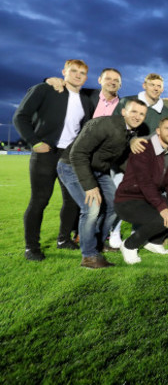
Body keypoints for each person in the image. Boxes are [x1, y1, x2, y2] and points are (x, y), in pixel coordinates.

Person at [13, 59, 94, 260]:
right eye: (73, 71)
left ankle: (63, 239)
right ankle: (31, 247)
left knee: (73, 201)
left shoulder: (85, 99)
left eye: (82, 73)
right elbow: (20, 117)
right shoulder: (46, 89)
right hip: (45, 154)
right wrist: (34, 142)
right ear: (64, 72)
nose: (78, 75)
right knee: (40, 201)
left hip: (69, 157)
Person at [58, 98, 149, 268]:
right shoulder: (103, 124)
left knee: (115, 206)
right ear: (123, 112)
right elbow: (77, 154)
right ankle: (89, 256)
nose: (137, 116)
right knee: (91, 208)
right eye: (134, 111)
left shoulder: (131, 132)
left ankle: (97, 245)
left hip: (99, 170)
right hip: (72, 166)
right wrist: (90, 186)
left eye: (142, 114)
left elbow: (118, 159)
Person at [114, 118, 168, 264]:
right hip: (128, 199)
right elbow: (145, 183)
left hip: (151, 199)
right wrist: (162, 207)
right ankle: (129, 245)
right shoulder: (144, 148)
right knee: (161, 218)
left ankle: (155, 242)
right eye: (167, 128)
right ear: (158, 131)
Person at [108, 73, 168, 247]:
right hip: (123, 161)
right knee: (121, 198)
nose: (156, 88)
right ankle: (114, 232)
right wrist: (131, 141)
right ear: (144, 85)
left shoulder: (165, 111)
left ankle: (137, 233)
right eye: (152, 85)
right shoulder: (128, 102)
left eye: (159, 86)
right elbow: (115, 127)